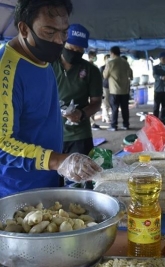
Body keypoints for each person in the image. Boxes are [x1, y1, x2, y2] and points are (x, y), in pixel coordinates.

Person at [0, 0, 101, 198]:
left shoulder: (43, 59)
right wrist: (58, 161)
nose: (58, 41)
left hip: (48, 180)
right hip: (18, 190)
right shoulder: (6, 71)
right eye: (49, 32)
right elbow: (2, 143)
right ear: (23, 28)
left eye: (64, 32)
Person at [52, 24, 103, 184]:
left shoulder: (91, 70)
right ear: (63, 42)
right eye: (72, 48)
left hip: (79, 135)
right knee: (53, 181)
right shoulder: (48, 65)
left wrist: (81, 114)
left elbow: (96, 103)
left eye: (80, 51)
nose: (75, 53)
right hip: (52, 134)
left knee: (81, 179)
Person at [103, 46, 131, 131]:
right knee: (125, 108)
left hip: (114, 90)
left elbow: (105, 75)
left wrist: (107, 64)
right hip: (124, 90)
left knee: (114, 108)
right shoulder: (125, 62)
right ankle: (125, 124)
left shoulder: (111, 63)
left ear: (112, 53)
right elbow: (130, 74)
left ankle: (113, 125)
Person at [153, 52, 165, 127]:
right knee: (156, 106)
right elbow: (154, 75)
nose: (164, 60)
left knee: (164, 106)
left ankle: (162, 121)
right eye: (163, 58)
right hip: (158, 89)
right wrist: (161, 77)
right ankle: (155, 122)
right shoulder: (156, 67)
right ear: (160, 59)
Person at [88, 50, 100, 130]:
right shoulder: (86, 66)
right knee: (89, 107)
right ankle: (92, 123)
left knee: (93, 106)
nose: (95, 57)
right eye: (94, 56)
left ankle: (93, 122)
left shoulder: (94, 66)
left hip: (93, 91)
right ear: (90, 56)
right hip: (87, 90)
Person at [99, 54, 111, 123]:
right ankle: (107, 117)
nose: (108, 60)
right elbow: (100, 79)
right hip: (105, 87)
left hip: (111, 87)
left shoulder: (112, 67)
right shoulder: (102, 68)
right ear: (105, 60)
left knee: (108, 103)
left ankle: (104, 117)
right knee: (106, 103)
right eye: (107, 59)